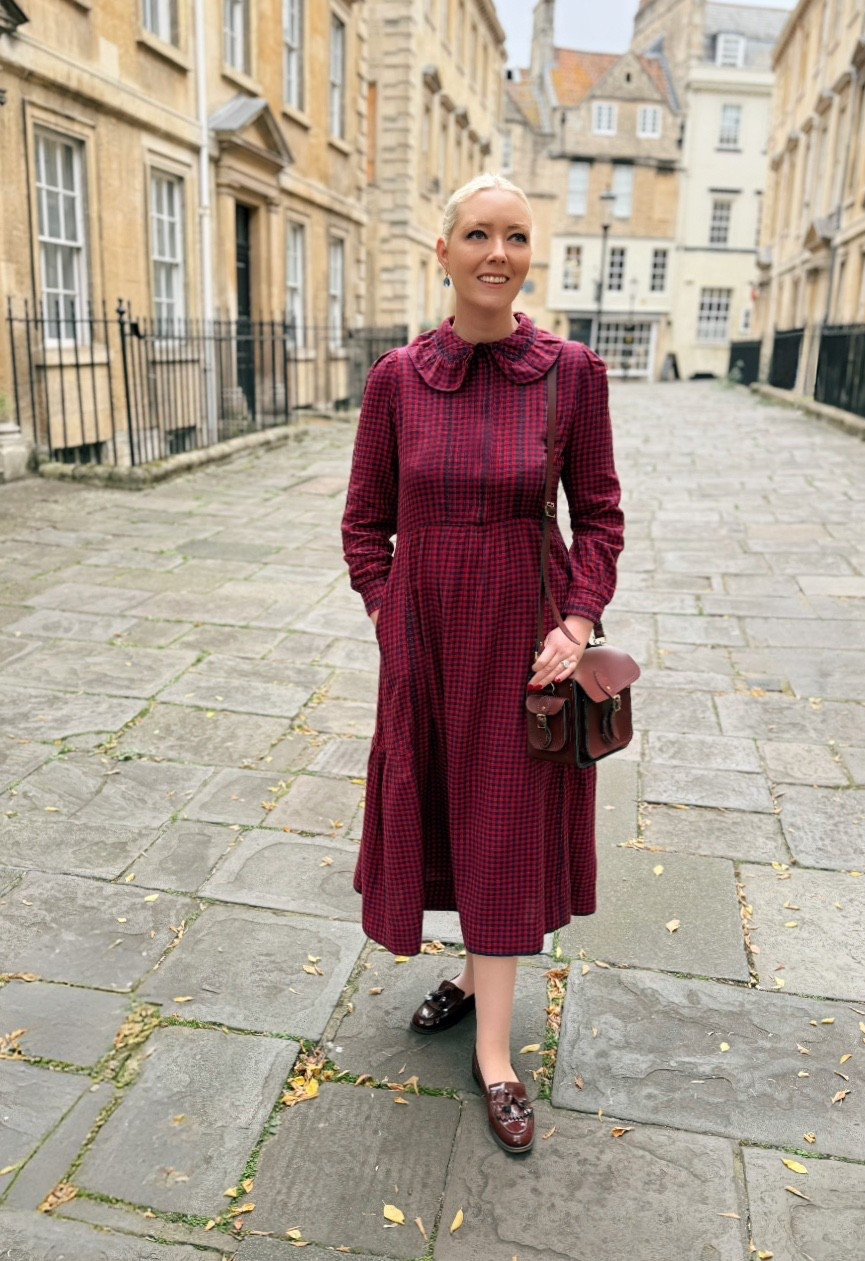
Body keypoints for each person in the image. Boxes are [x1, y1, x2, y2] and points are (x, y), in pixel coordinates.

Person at [341, 172, 624, 1154]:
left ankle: (494, 1056)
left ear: (528, 255)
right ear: (444, 252)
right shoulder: (395, 380)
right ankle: (468, 976)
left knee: (501, 825)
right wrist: (390, 620)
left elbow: (597, 515)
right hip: (423, 643)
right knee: (447, 811)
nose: (495, 252)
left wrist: (578, 621)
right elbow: (363, 526)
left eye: (513, 236)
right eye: (475, 234)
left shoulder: (570, 373)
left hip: (522, 639)